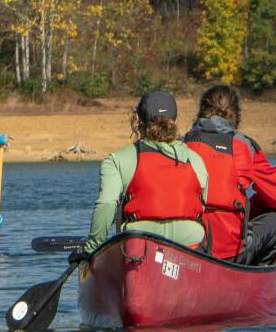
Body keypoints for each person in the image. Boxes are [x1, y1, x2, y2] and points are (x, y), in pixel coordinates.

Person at [80, 91, 210, 255]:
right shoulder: (195, 159)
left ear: (138, 121)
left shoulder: (117, 159)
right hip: (190, 244)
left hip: (139, 244)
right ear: (175, 121)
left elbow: (106, 204)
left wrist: (92, 248)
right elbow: (203, 204)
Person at [184, 83, 276, 265]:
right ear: (236, 115)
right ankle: (255, 268)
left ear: (201, 111)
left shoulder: (181, 144)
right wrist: (249, 207)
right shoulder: (244, 146)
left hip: (188, 248)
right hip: (230, 252)